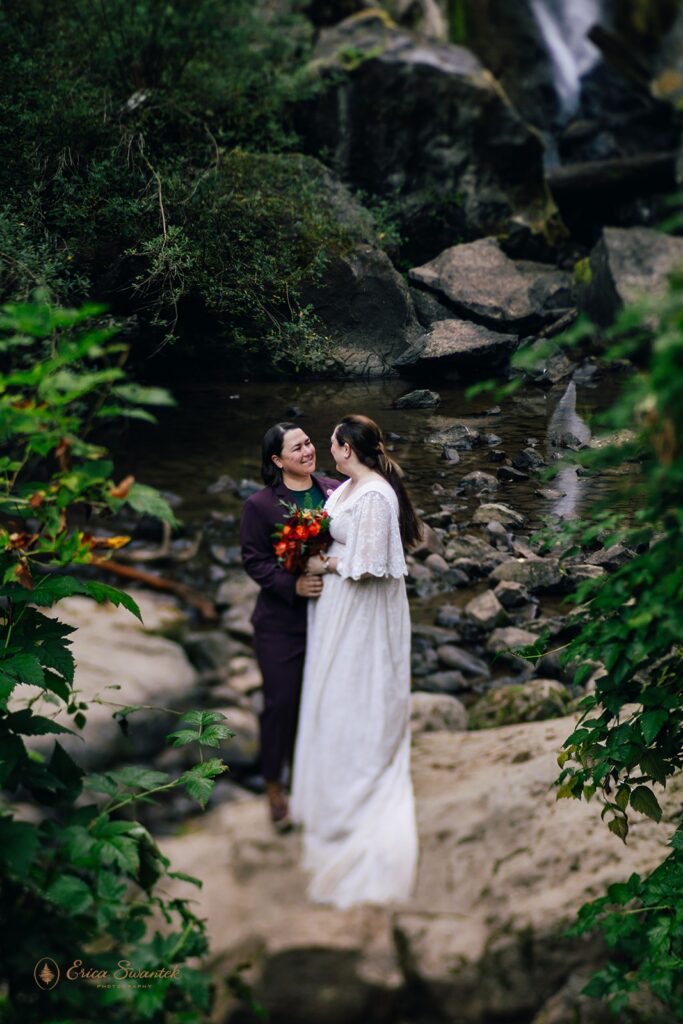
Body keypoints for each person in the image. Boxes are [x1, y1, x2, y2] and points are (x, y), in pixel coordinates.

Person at [290, 414, 422, 908]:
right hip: (338, 607)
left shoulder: (374, 495)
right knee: (333, 691)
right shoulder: (347, 488)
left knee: (356, 688)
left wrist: (321, 562)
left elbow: (366, 565)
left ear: (347, 447)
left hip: (362, 610)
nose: (326, 449)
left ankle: (358, 782)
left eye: (331, 442)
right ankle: (331, 774)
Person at [240, 423, 339, 829]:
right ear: (277, 460)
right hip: (281, 622)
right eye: (296, 448)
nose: (308, 451)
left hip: (333, 614)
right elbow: (254, 560)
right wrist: (293, 584)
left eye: (309, 443)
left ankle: (316, 781)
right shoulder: (260, 506)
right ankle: (274, 786)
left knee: (327, 702)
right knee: (281, 703)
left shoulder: (336, 489)